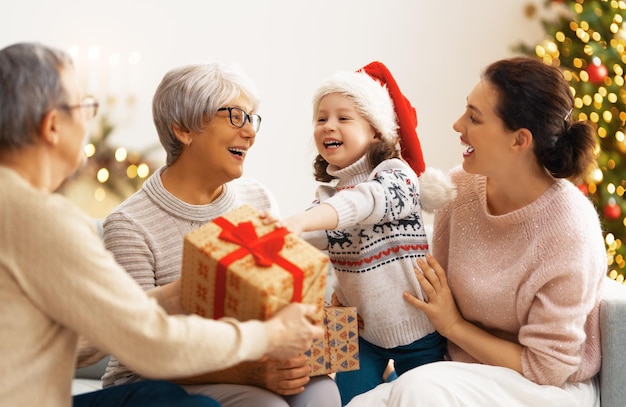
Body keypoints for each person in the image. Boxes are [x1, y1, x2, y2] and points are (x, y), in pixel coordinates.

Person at [0, 41, 323, 407]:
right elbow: (145, 343)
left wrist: (175, 294)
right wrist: (269, 335)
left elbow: (69, 336)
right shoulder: (44, 219)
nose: (249, 130)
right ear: (53, 125)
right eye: (84, 106)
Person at [347, 56, 607, 407]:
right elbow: (424, 282)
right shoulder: (460, 188)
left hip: (545, 388)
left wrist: (453, 325)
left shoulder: (569, 230)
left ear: (519, 141)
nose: (458, 124)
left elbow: (546, 368)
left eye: (474, 117)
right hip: (461, 370)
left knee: (418, 390)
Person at [100, 62, 342, 407]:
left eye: (252, 119)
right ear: (184, 129)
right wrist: (247, 373)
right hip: (156, 380)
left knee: (321, 392)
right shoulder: (129, 224)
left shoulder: (256, 198)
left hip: (253, 358)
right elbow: (138, 349)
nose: (250, 133)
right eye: (235, 117)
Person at [275, 61, 456, 405]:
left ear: (375, 131)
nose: (329, 126)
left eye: (344, 118)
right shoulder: (325, 199)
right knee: (344, 400)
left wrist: (299, 221)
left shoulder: (396, 176)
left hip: (419, 329)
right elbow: (302, 246)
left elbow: (365, 202)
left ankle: (393, 378)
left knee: (423, 398)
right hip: (359, 332)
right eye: (321, 118)